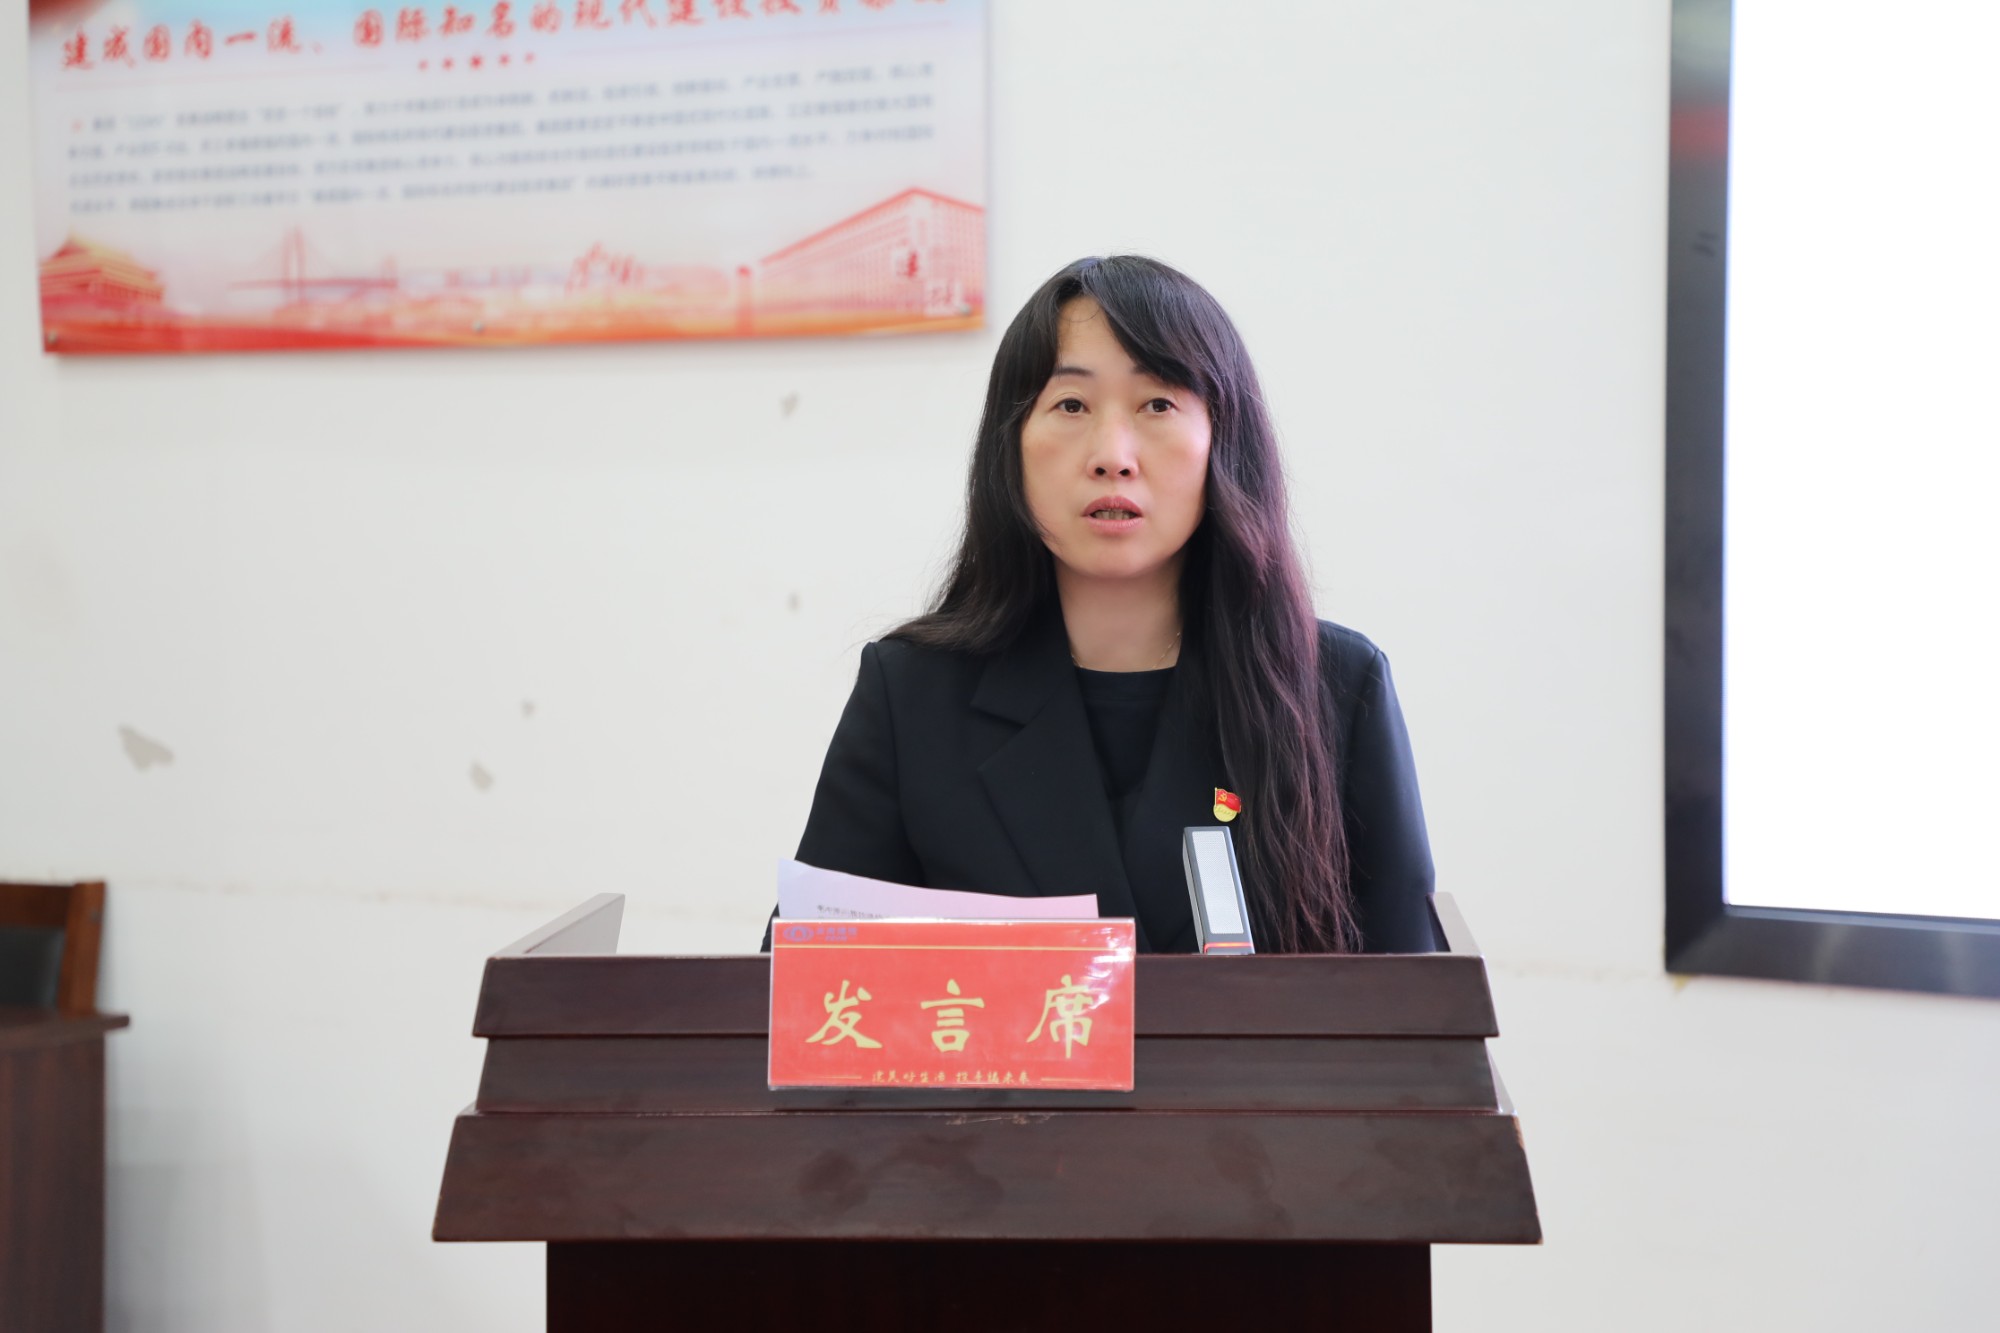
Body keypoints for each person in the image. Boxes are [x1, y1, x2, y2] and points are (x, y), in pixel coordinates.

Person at [776, 256, 1434, 954]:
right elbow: (809, 987)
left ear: (1224, 439)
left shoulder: (1335, 687)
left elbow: (1411, 1003)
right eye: (1071, 405)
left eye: (1158, 404)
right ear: (1010, 447)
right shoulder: (913, 694)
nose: (1112, 456)